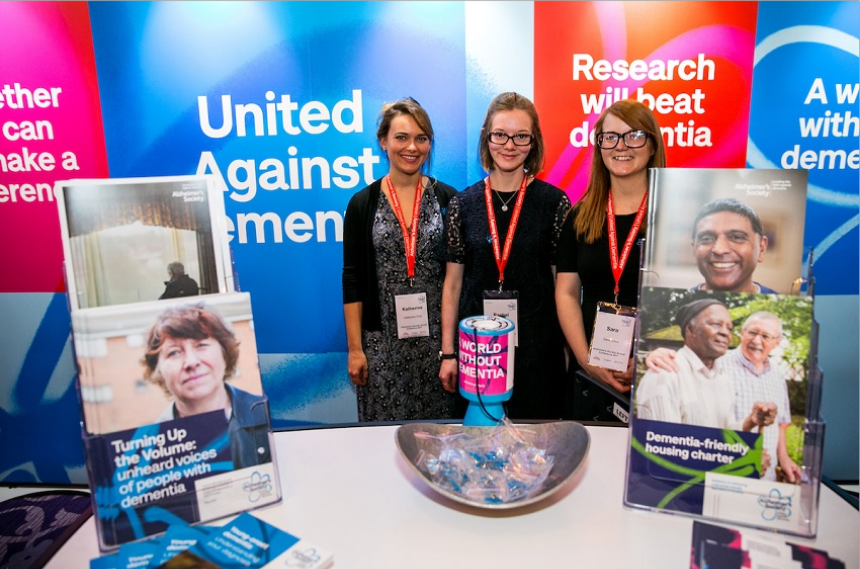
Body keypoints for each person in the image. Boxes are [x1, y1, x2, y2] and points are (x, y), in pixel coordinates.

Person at [439, 92, 570, 420]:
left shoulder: (554, 203)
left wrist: (568, 349)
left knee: (537, 454)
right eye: (500, 134)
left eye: (520, 136)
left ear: (533, 141)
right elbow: (453, 286)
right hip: (478, 353)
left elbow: (563, 287)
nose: (509, 145)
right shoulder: (462, 205)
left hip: (538, 353)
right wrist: (448, 353)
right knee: (479, 450)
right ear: (487, 137)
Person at [342, 97, 458, 422]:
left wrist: (452, 349)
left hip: (438, 345)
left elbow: (458, 280)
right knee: (384, 440)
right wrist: (355, 350)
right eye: (401, 137)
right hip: (381, 348)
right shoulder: (362, 205)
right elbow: (351, 280)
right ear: (383, 141)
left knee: (440, 441)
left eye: (421, 138)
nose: (412, 147)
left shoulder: (449, 200)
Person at [554, 99, 666, 419]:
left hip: (657, 371)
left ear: (652, 144)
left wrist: (646, 361)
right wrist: (587, 360)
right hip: (591, 369)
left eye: (633, 136)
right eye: (610, 136)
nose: (621, 146)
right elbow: (566, 293)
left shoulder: (673, 216)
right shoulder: (580, 216)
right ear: (599, 146)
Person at [646, 311, 802, 482]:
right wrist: (658, 356)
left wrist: (784, 458)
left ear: (777, 342)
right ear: (742, 333)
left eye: (765, 336)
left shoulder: (778, 375)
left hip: (766, 478)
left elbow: (781, 423)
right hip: (721, 474)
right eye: (752, 332)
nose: (757, 340)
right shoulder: (716, 364)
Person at [142, 303, 271, 470]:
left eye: (201, 345)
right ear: (158, 370)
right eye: (174, 352)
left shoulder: (270, 416)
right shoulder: (147, 451)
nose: (191, 362)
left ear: (225, 353)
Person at [635, 298, 777, 433]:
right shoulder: (664, 375)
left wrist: (750, 422)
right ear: (690, 329)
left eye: (729, 328)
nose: (725, 333)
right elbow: (659, 447)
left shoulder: (723, 380)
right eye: (715, 324)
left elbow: (723, 437)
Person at [691, 198, 776, 294]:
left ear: (761, 248)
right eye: (706, 239)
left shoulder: (784, 307)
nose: (719, 249)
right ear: (694, 250)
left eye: (736, 237)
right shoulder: (675, 307)